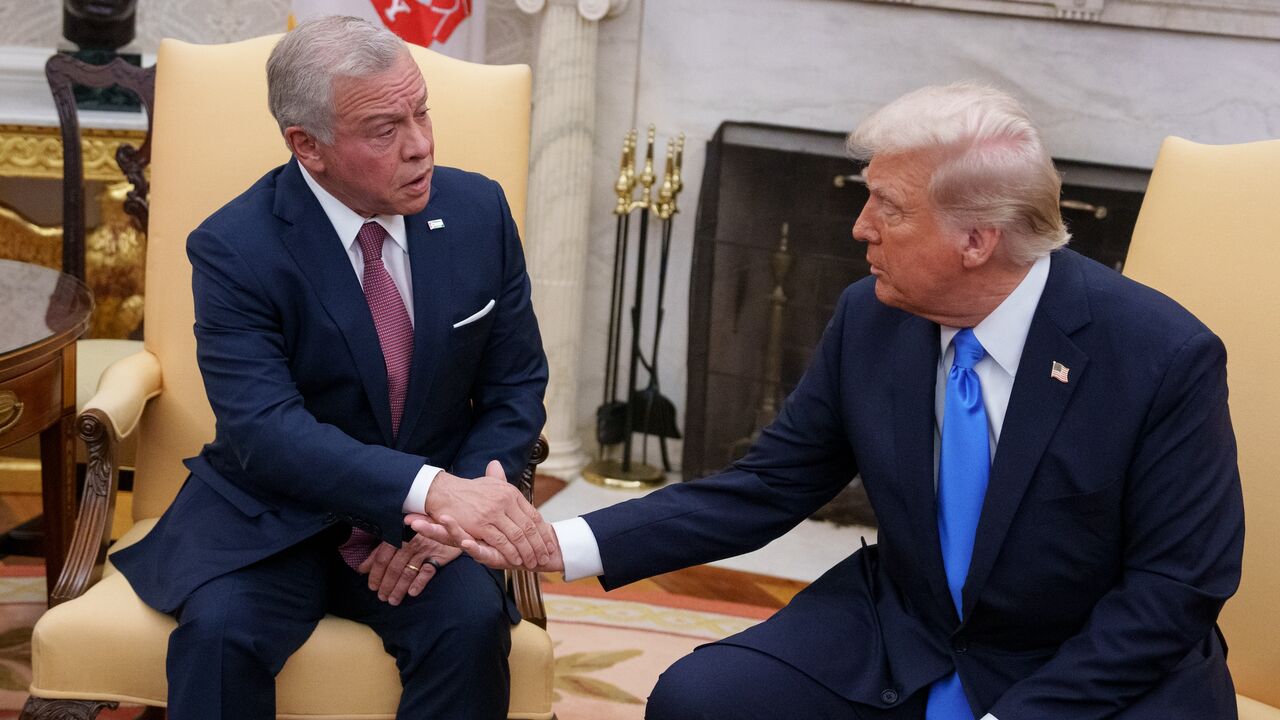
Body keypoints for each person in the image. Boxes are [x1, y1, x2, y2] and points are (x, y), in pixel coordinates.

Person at [415, 83, 1245, 719]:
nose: (859, 228)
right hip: (906, 629)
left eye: (887, 207)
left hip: (1090, 665)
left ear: (976, 239)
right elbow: (767, 486)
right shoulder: (872, 320)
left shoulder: (1161, 357)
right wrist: (552, 544)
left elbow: (1173, 592)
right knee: (699, 699)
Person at [111, 15, 552, 720]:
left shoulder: (478, 212)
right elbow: (265, 432)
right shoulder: (235, 247)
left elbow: (515, 387)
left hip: (425, 532)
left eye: (421, 112)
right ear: (307, 146)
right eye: (384, 130)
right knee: (220, 637)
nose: (421, 145)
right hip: (274, 516)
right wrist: (431, 491)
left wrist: (453, 518)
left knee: (469, 629)